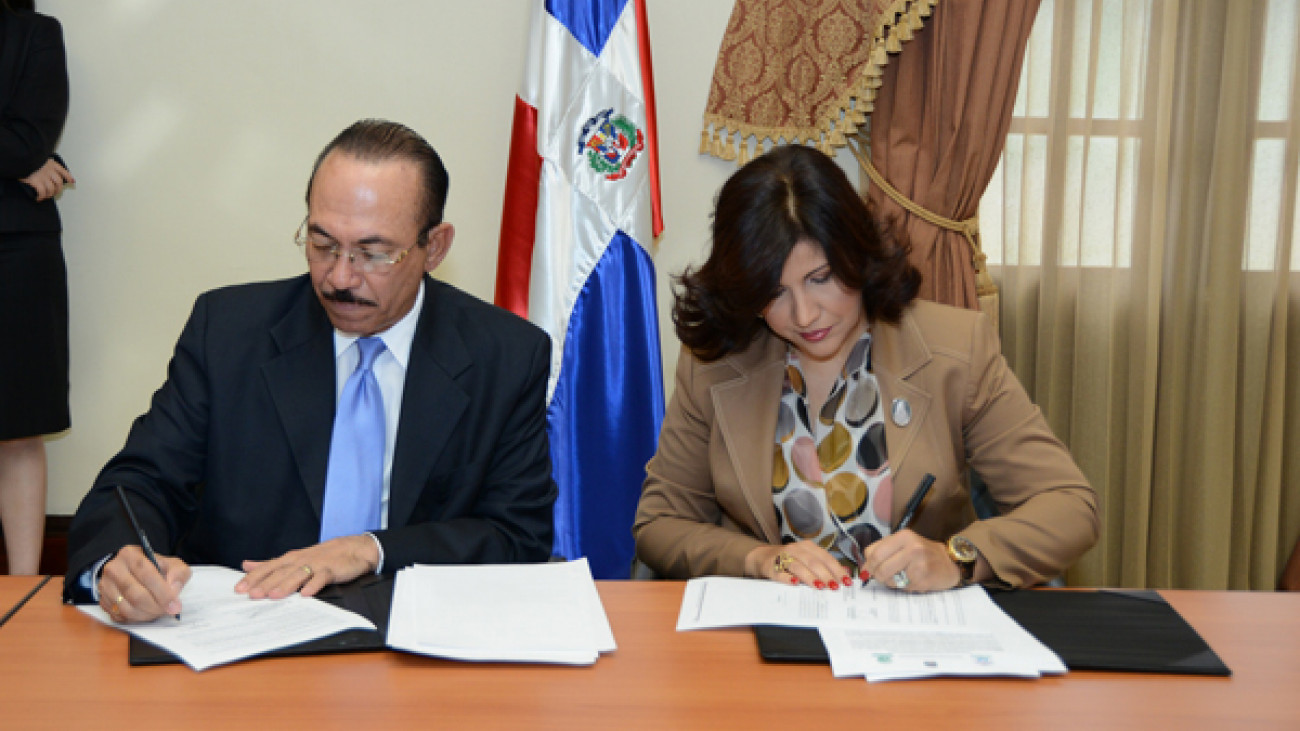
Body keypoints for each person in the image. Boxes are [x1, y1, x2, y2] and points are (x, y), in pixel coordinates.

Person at [64, 119, 557, 621]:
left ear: (436, 247)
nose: (340, 278)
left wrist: (371, 548)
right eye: (322, 244)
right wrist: (117, 563)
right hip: (244, 635)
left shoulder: (505, 355)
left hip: (415, 639)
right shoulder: (229, 334)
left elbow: (518, 536)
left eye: (373, 253)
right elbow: (139, 483)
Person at [634, 145, 1098, 592]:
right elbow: (660, 523)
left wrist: (957, 557)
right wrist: (755, 559)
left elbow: (1069, 507)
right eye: (774, 292)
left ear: (858, 254)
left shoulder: (955, 348)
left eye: (820, 279)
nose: (804, 315)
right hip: (773, 640)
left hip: (916, 642)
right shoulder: (716, 364)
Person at [0, 0, 74, 575]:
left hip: (15, 254)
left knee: (19, 430)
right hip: (16, 218)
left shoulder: (36, 34)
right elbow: (18, 150)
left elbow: (28, 141)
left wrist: (25, 158)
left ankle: (23, 590)